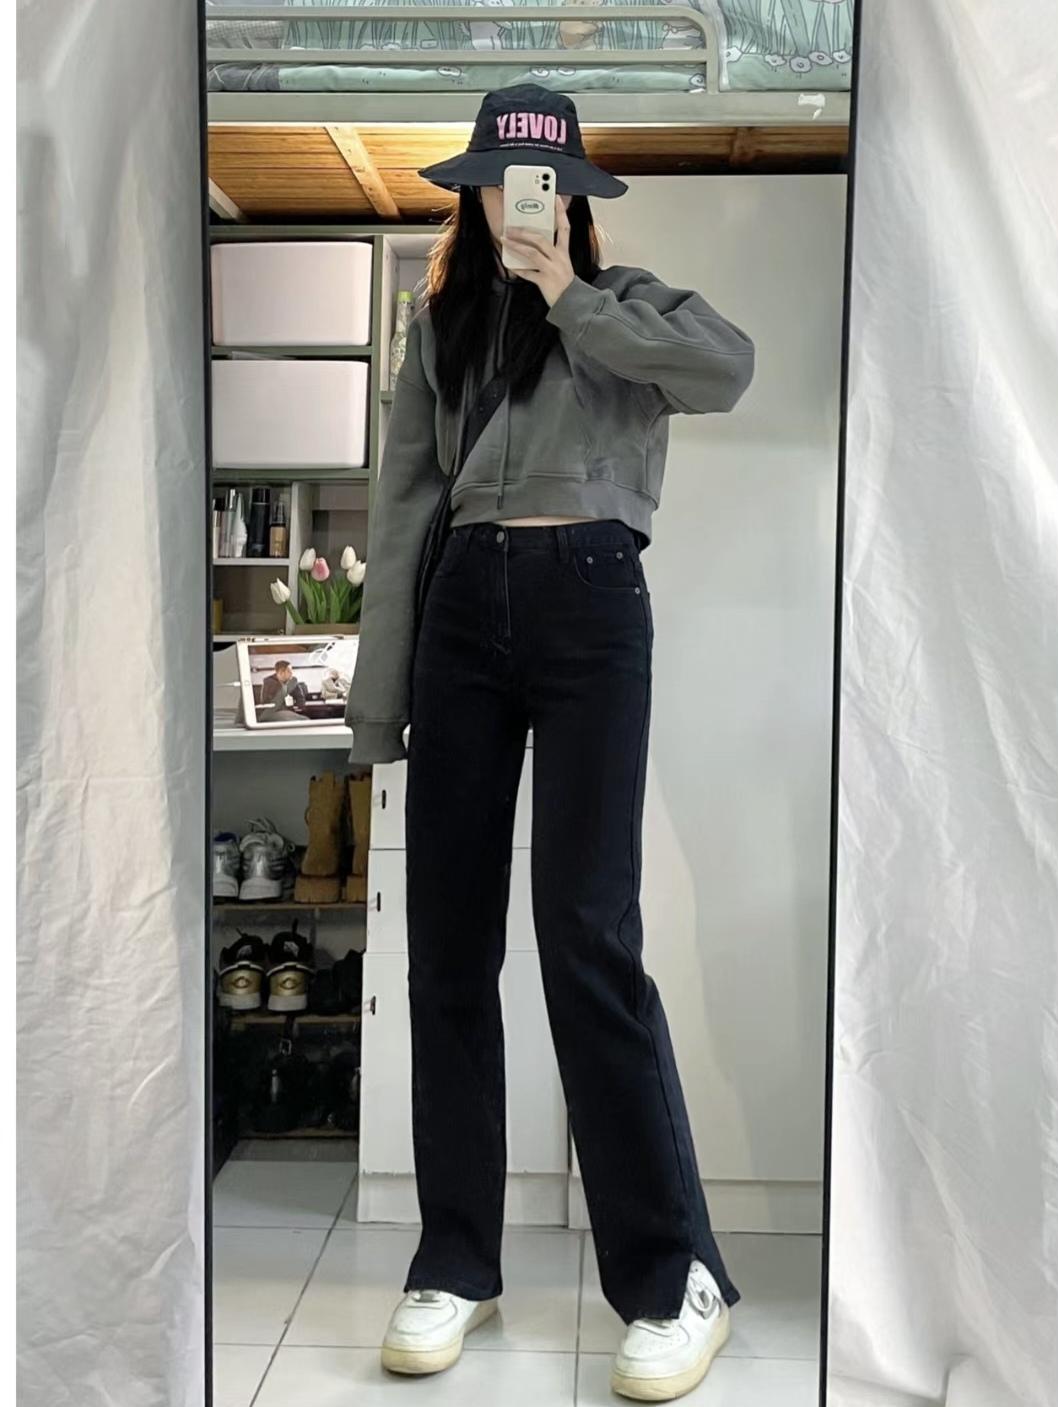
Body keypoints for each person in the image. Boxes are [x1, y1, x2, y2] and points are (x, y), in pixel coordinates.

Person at [344, 84, 755, 1402]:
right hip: (464, 609)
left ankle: (673, 1280)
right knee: (447, 949)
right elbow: (404, 507)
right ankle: (456, 1261)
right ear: (472, 190)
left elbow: (726, 373)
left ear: (570, 192)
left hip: (591, 604)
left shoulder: (633, 308)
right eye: (496, 180)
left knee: (588, 938)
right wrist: (377, 697)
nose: (514, 201)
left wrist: (568, 292)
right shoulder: (443, 329)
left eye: (539, 181)